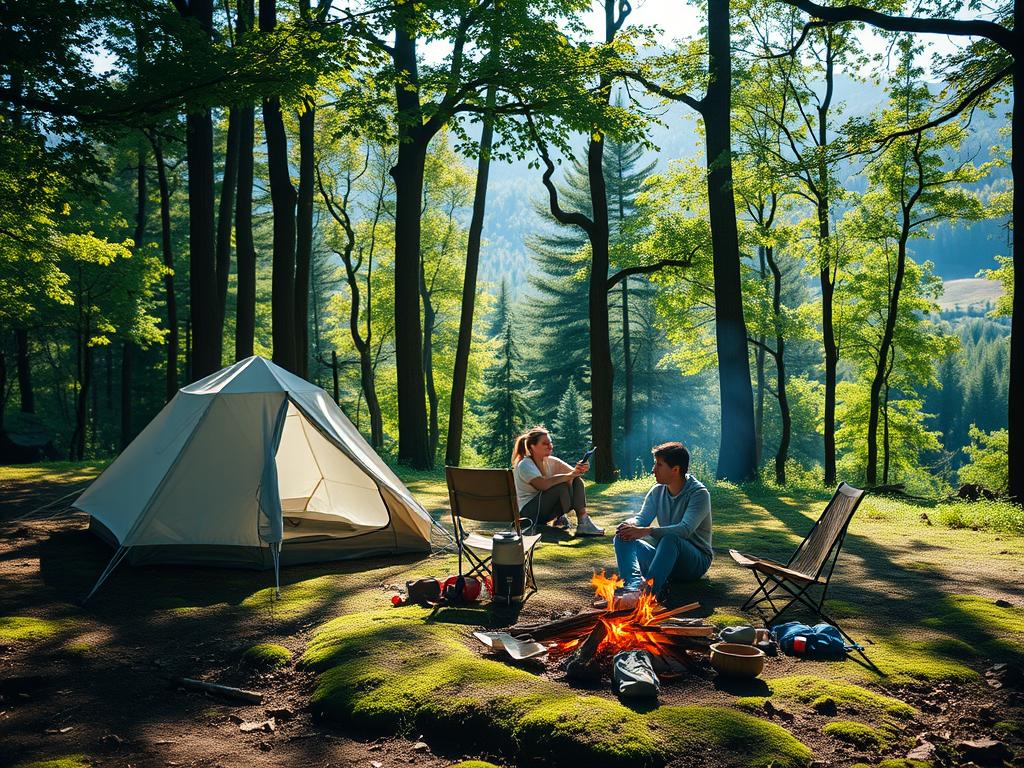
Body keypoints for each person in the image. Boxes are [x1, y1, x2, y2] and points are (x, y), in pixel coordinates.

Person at [610, 441, 712, 608]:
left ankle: (649, 593)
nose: (653, 470)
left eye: (659, 465)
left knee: (670, 539)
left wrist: (646, 531)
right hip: (664, 558)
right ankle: (634, 587)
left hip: (694, 562)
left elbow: (685, 530)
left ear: (676, 469)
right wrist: (629, 525)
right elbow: (641, 518)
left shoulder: (699, 494)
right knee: (623, 536)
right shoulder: (657, 491)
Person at [511, 426, 605, 536]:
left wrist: (582, 467)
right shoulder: (525, 465)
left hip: (545, 509)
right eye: (545, 443)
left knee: (577, 481)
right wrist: (570, 475)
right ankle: (563, 518)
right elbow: (543, 485)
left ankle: (584, 522)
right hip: (528, 514)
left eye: (550, 442)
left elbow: (575, 474)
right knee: (561, 487)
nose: (550, 446)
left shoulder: (551, 461)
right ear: (532, 447)